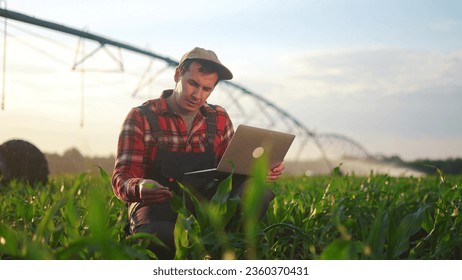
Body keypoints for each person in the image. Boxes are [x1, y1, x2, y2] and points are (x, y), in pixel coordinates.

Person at [111, 47, 285, 259]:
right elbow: (122, 177)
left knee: (257, 192)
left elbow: (230, 172)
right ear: (177, 75)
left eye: (206, 89)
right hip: (157, 202)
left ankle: (230, 248)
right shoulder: (141, 117)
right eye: (192, 83)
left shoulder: (218, 117)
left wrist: (258, 171)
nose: (197, 95)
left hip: (205, 199)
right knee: (158, 237)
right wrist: (139, 187)